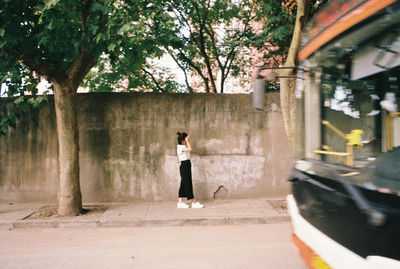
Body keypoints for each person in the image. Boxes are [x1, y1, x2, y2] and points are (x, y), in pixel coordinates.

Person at [176, 132, 204, 209]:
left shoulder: (183, 146)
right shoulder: (180, 147)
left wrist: (187, 141)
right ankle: (194, 202)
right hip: (184, 166)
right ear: (183, 140)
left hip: (187, 165)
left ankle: (180, 202)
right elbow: (190, 149)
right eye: (186, 139)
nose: (188, 140)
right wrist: (187, 141)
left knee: (183, 184)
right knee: (188, 184)